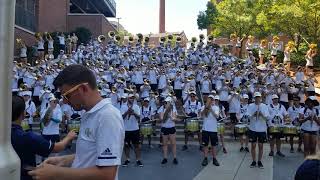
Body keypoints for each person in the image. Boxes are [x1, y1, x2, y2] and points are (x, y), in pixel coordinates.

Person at [29, 64, 125, 180]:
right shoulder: (90, 114)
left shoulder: (107, 116)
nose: (64, 101)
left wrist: (56, 173)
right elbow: (91, 155)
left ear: (83, 89)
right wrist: (63, 160)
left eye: (67, 95)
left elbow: (107, 174)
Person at [11, 95, 76, 180]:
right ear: (23, 114)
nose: (54, 103)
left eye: (55, 101)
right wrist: (68, 137)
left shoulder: (59, 110)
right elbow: (57, 147)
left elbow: (59, 120)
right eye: (52, 101)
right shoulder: (28, 137)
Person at [247, 92, 269, 168]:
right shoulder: (250, 106)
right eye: (256, 97)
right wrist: (254, 114)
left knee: (260, 146)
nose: (257, 99)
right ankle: (253, 161)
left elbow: (267, 118)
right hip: (253, 128)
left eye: (258, 97)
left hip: (262, 129)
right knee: (253, 145)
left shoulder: (264, 106)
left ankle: (259, 161)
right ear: (254, 98)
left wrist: (261, 114)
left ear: (260, 98)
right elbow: (247, 116)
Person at [121, 93, 144, 167]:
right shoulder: (123, 106)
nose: (132, 99)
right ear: (128, 99)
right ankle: (127, 159)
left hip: (135, 129)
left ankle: (138, 159)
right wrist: (127, 112)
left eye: (133, 98)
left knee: (136, 145)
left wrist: (133, 113)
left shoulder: (137, 107)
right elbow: (121, 117)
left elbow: (139, 117)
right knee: (126, 145)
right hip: (126, 129)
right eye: (131, 98)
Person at [158, 97, 180, 165]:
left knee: (173, 143)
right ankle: (165, 158)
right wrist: (166, 114)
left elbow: (175, 119)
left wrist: (170, 116)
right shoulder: (161, 108)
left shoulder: (173, 108)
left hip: (171, 127)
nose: (165, 103)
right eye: (165, 102)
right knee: (164, 144)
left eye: (167, 102)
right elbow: (161, 119)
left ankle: (175, 157)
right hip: (164, 127)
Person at [200, 95, 220, 166]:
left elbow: (217, 116)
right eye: (209, 99)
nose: (210, 100)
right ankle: (205, 158)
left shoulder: (216, 107)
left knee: (213, 145)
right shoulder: (203, 107)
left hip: (213, 129)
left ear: (213, 100)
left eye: (212, 99)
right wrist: (206, 107)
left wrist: (210, 108)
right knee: (205, 145)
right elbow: (202, 115)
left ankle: (214, 158)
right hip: (205, 129)